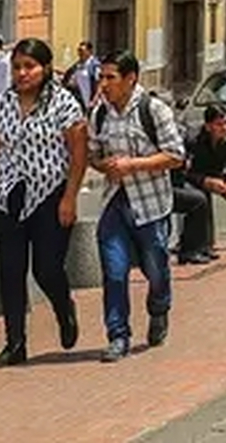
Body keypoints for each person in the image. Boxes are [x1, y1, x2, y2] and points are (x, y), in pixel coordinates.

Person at [0, 38, 88, 367]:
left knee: (46, 268)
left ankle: (63, 308)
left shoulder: (64, 104)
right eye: (17, 67)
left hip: (50, 192)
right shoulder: (2, 103)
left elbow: (78, 152)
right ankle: (15, 343)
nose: (22, 74)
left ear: (46, 68)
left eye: (29, 67)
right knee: (10, 271)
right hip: (9, 194)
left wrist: (70, 196)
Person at [90, 51, 187, 362]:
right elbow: (94, 153)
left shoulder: (153, 110)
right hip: (115, 202)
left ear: (131, 79)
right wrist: (103, 164)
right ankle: (118, 336)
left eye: (110, 78)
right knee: (114, 272)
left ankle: (159, 308)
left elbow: (175, 155)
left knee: (155, 268)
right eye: (101, 77)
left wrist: (133, 165)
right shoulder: (99, 114)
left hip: (150, 204)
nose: (103, 85)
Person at [174, 104, 226, 264]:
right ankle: (199, 242)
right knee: (193, 196)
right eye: (219, 125)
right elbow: (184, 172)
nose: (225, 128)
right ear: (208, 126)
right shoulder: (193, 141)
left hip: (221, 175)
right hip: (198, 178)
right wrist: (205, 181)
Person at [64, 41, 101, 106]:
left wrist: (94, 100)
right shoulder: (77, 65)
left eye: (82, 50)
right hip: (81, 100)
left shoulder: (95, 66)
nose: (80, 53)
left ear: (89, 51)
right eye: (79, 51)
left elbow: (99, 84)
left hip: (91, 101)